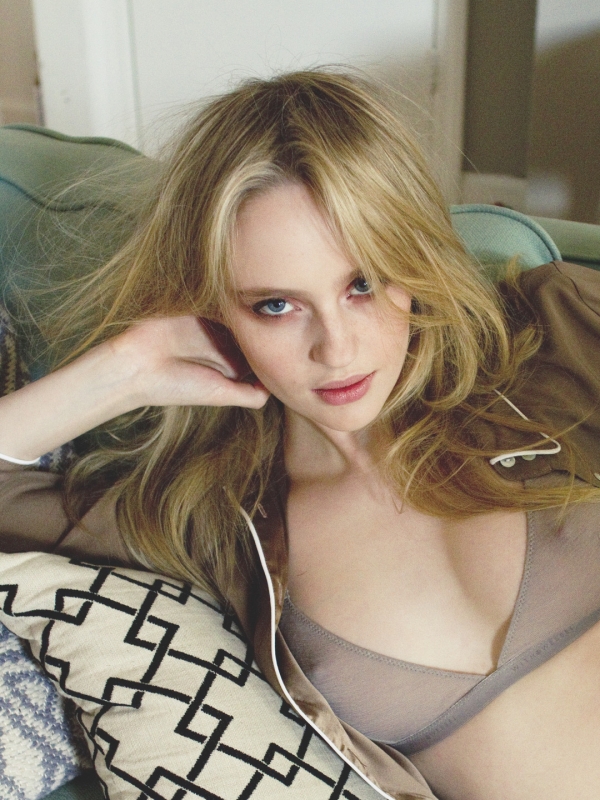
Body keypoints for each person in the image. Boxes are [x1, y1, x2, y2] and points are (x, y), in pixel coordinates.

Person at [1, 69, 599, 800]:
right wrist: (125, 369)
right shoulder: (215, 521)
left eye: (363, 283)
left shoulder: (550, 339)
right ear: (213, 305)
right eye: (276, 305)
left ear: (414, 260)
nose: (336, 349)